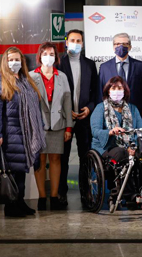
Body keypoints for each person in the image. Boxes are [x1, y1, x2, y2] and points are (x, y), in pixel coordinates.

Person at [0, 47, 46, 217]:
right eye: (10, 59)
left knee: (21, 171)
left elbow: (35, 107)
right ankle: (11, 206)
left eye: (17, 59)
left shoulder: (26, 80)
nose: (14, 62)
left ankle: (20, 202)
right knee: (12, 172)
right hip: (10, 134)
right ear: (5, 61)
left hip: (25, 134)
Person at [56, 29, 99, 206]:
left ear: (83, 43)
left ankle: (85, 192)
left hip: (84, 118)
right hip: (64, 118)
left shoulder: (90, 64)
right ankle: (61, 193)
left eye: (79, 40)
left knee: (85, 157)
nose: (75, 43)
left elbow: (95, 92)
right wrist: (66, 111)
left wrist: (89, 109)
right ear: (66, 42)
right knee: (63, 157)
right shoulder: (59, 64)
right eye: (72, 40)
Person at [30, 42, 73, 211]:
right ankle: (42, 196)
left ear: (56, 57)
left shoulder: (61, 76)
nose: (48, 56)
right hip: (38, 125)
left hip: (58, 124)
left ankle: (54, 196)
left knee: (56, 159)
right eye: (45, 53)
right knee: (40, 160)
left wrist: (69, 127)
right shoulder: (31, 76)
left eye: (52, 54)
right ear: (39, 56)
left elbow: (68, 102)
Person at [90, 76, 142, 206]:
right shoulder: (100, 108)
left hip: (129, 146)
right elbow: (95, 131)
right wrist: (110, 131)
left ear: (125, 91)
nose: (116, 90)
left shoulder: (133, 109)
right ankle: (128, 194)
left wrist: (134, 146)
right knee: (121, 154)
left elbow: (139, 131)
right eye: (113, 88)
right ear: (108, 91)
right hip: (106, 147)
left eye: (120, 88)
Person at [99, 33, 142, 128]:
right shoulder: (104, 67)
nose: (121, 46)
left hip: (135, 114)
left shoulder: (139, 66)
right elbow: (101, 93)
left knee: (134, 142)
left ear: (130, 47)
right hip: (111, 116)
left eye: (124, 44)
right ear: (113, 47)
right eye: (117, 44)